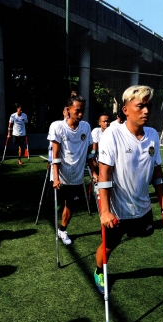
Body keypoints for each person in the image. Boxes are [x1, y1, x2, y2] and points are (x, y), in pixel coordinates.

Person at [93, 85, 163, 294]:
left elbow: (157, 170)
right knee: (109, 247)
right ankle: (99, 271)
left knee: (144, 232)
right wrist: (104, 211)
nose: (146, 111)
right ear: (126, 109)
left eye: (148, 106)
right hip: (116, 207)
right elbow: (104, 175)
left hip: (142, 204)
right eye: (140, 106)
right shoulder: (112, 134)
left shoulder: (153, 135)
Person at [48, 94, 97, 245]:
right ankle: (56, 211)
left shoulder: (86, 126)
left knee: (71, 204)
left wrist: (94, 172)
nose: (81, 114)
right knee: (57, 203)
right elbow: (55, 155)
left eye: (82, 110)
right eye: (77, 111)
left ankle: (62, 230)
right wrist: (56, 178)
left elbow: (89, 153)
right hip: (61, 175)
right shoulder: (57, 126)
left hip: (77, 175)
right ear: (68, 110)